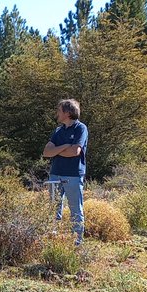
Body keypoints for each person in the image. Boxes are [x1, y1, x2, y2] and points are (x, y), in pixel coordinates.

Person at [41, 99, 88, 245]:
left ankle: (77, 243)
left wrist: (57, 150)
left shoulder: (81, 128)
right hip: (55, 173)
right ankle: (53, 239)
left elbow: (75, 151)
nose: (57, 114)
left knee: (75, 209)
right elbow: (46, 152)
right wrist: (65, 146)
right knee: (54, 207)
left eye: (59, 111)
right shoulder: (58, 130)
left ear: (67, 113)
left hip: (73, 175)